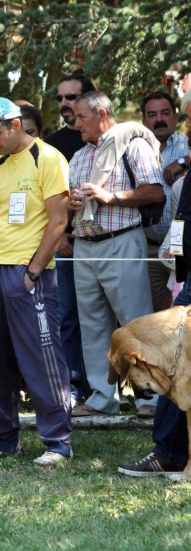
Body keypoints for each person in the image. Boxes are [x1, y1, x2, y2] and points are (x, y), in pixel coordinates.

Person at [0, 96, 72, 467]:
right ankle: (4, 439)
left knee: (42, 358)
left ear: (15, 125)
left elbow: (59, 221)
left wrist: (33, 273)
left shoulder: (49, 158)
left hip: (30, 274)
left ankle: (57, 442)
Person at [69, 91, 164, 418]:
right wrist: (72, 204)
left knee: (136, 323)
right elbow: (72, 204)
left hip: (122, 241)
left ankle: (148, 396)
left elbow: (155, 190)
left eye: (82, 117)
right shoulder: (78, 157)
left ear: (102, 115)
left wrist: (112, 196)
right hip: (84, 245)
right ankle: (102, 396)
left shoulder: (133, 146)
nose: (75, 122)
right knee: (92, 324)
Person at [117, 90, 191, 477]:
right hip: (181, 270)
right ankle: (167, 452)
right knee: (174, 359)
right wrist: (176, 256)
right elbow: (182, 222)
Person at [45, 74, 96, 407]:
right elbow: (45, 198)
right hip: (64, 246)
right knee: (68, 317)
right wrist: (60, 234)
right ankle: (76, 383)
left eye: (71, 97)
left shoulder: (103, 139)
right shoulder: (52, 145)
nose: (64, 104)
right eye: (60, 98)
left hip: (103, 242)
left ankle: (109, 387)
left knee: (101, 317)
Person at [141, 91, 190, 312]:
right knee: (153, 320)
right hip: (148, 250)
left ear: (175, 116)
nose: (159, 119)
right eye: (152, 114)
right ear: (143, 120)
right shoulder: (134, 150)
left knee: (179, 317)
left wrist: (184, 160)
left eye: (165, 113)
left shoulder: (187, 146)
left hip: (183, 252)